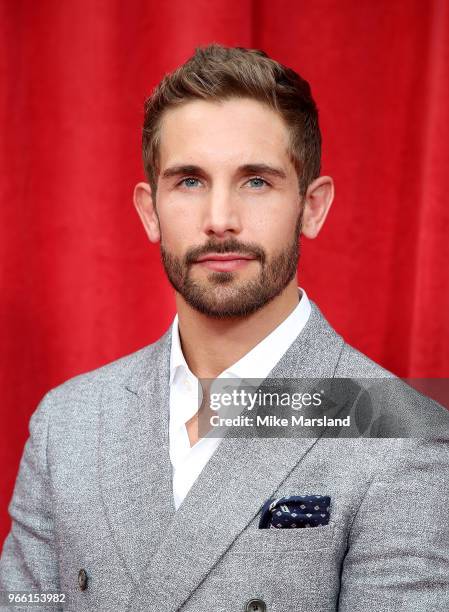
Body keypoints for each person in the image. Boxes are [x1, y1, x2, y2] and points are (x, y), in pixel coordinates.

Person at [1, 43, 448, 612]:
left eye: (256, 181)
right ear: (149, 210)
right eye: (189, 181)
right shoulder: (67, 422)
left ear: (312, 207)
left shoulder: (403, 434)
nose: (219, 220)